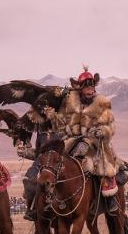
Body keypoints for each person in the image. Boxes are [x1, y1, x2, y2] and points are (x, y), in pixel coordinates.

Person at [47, 66, 123, 214]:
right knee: (55, 163)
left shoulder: (102, 104)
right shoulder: (70, 104)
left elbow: (111, 126)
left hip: (96, 142)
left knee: (103, 165)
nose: (90, 89)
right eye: (87, 86)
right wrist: (53, 118)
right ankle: (53, 197)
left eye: (92, 86)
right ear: (80, 88)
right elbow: (61, 126)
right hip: (72, 140)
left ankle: (109, 198)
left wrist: (103, 131)